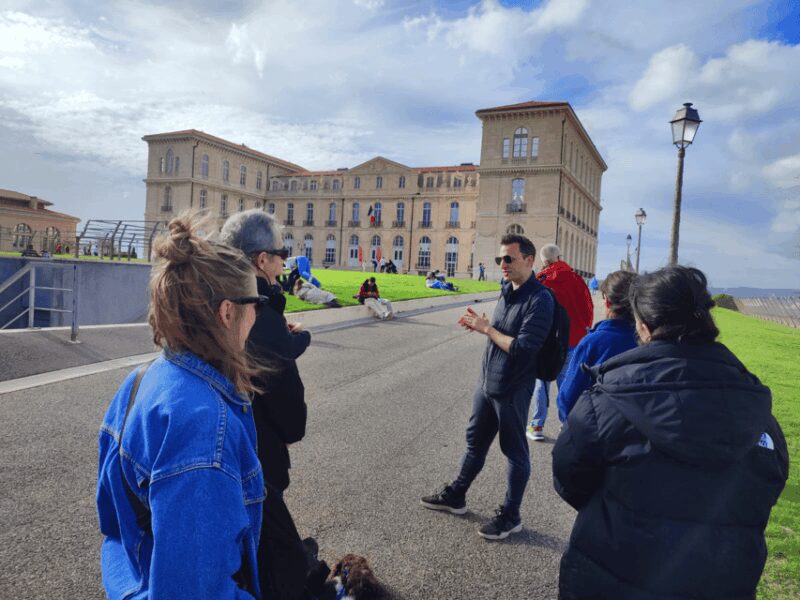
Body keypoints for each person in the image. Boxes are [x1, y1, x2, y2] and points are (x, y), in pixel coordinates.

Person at [552, 265, 789, 599]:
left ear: (643, 326)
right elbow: (769, 481)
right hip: (720, 582)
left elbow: (569, 476)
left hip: (615, 572)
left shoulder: (606, 402)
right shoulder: (756, 409)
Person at [97, 215, 265, 598]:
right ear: (228, 312)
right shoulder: (204, 428)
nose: (257, 314)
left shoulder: (141, 379)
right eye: (256, 303)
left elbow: (115, 527)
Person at [220, 209, 327, 599]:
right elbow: (290, 416)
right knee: (269, 556)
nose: (286, 261)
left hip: (228, 447)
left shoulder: (218, 302)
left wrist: (286, 336)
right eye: (282, 253)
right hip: (257, 453)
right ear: (262, 260)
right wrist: (286, 340)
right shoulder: (258, 313)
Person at [420, 234, 553, 540]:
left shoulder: (540, 300)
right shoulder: (507, 289)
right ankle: (457, 495)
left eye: (509, 258)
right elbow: (502, 333)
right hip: (488, 382)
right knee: (474, 443)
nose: (502, 264)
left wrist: (487, 329)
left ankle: (511, 515)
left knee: (514, 452)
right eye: (499, 258)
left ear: (529, 260)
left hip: (513, 388)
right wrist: (481, 325)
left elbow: (522, 349)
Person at [527, 243, 593, 441]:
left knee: (542, 382)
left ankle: (537, 425)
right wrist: (585, 328)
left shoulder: (541, 280)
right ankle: (566, 424)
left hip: (547, 340)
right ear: (559, 257)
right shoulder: (576, 279)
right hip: (572, 338)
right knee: (567, 382)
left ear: (544, 260)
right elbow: (587, 308)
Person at [555, 270, 638, 423]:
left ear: (607, 302)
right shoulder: (647, 341)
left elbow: (567, 399)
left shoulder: (593, 343)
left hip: (596, 426)